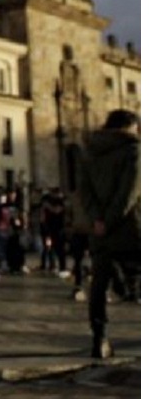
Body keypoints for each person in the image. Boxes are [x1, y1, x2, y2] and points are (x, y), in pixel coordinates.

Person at [78, 109, 140, 359]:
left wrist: (97, 220)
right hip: (130, 227)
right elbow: (130, 193)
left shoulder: (90, 152)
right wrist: (112, 219)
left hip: (99, 231)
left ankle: (99, 338)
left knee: (99, 283)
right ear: (129, 127)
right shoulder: (135, 152)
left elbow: (84, 192)